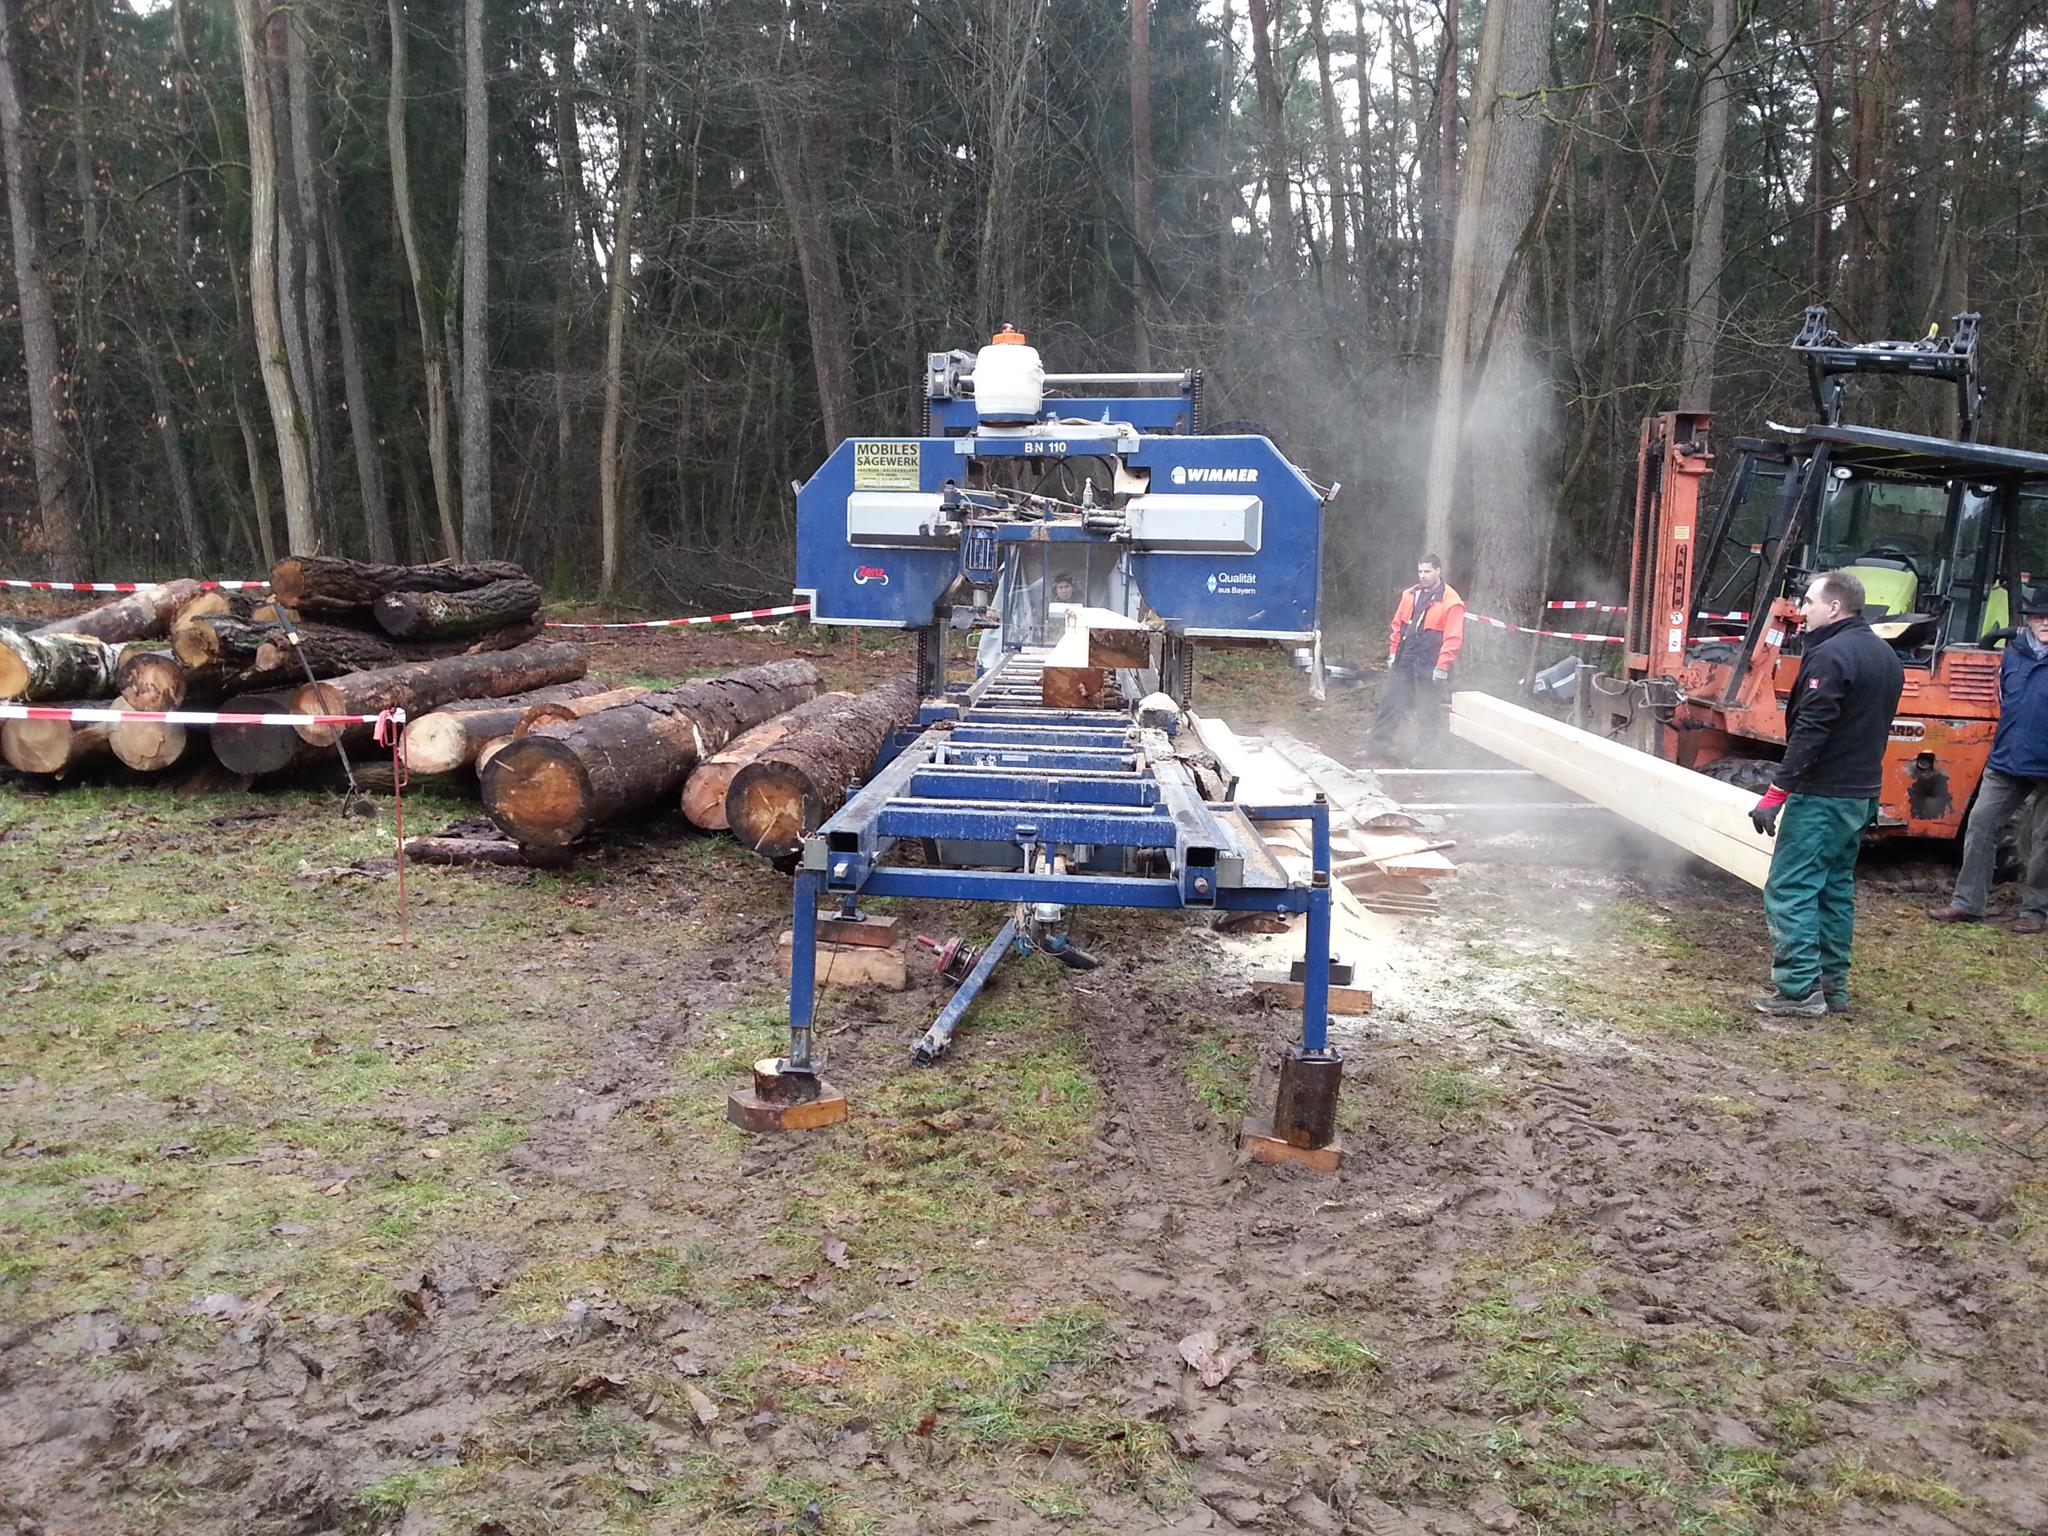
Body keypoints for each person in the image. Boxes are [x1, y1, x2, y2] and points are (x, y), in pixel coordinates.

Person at [1747, 569, 1906, 1016]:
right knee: (1834, 890)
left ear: (1834, 607)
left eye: (1810, 602)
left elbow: (1811, 731)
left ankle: (1798, 991)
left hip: (1822, 796)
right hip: (1859, 795)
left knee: (1791, 888)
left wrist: (1776, 794)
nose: (1804, 610)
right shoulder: (1885, 656)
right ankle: (1833, 988)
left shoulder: (1831, 656)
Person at [1926, 590, 2048, 933]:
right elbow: (2004, 701)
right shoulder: (2013, 655)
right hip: (2007, 757)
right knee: (1981, 823)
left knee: (2044, 839)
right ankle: (1968, 903)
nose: (2045, 623)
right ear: (2028, 620)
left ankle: (2035, 910)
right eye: (2039, 616)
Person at [1371, 555, 1465, 762]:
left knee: (1427, 710)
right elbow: (1398, 626)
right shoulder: (1410, 595)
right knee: (1390, 703)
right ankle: (1378, 748)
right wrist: (1394, 653)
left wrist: (1442, 666)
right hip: (1405, 658)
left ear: (1438, 571)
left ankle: (1425, 755)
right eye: (1420, 571)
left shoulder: (1451, 601)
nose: (1423, 576)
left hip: (1430, 662)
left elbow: (1453, 638)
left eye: (1427, 571)